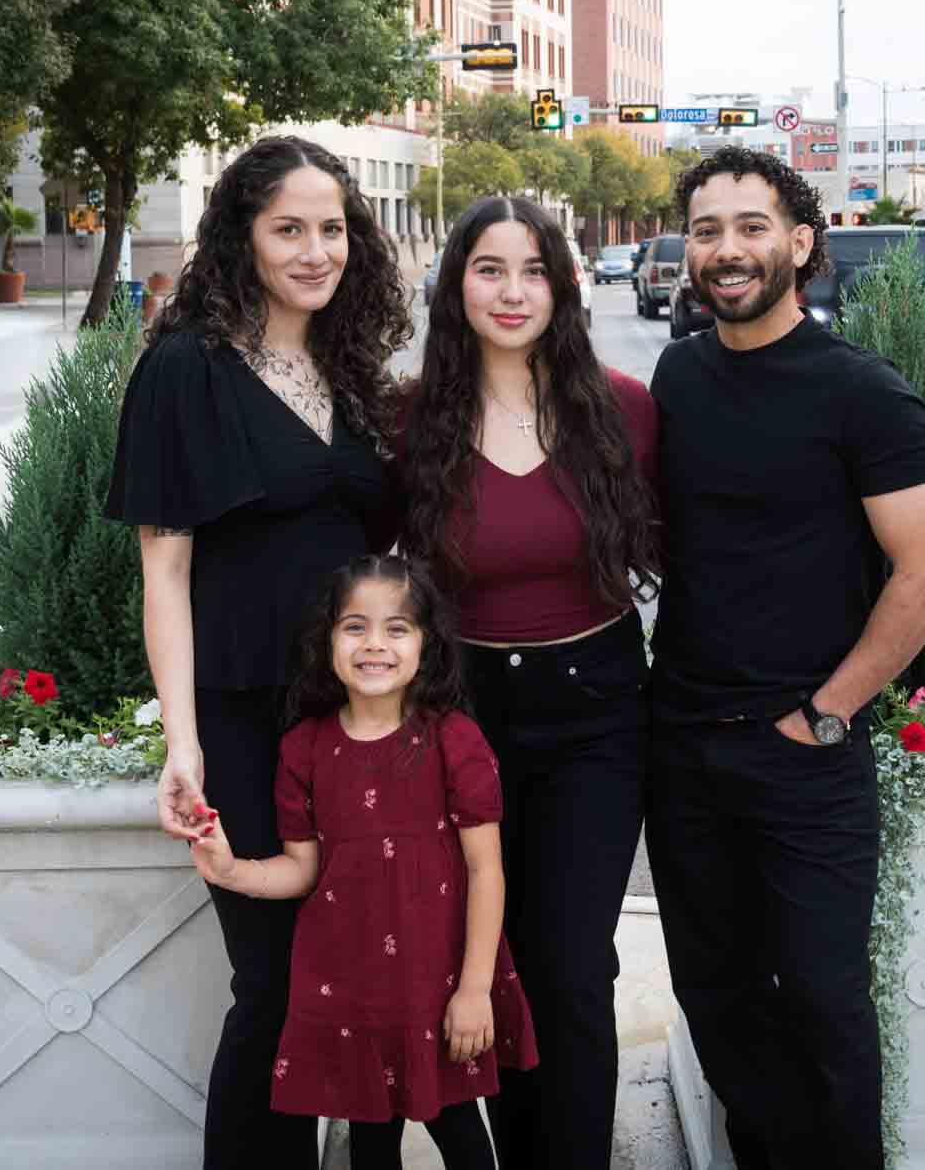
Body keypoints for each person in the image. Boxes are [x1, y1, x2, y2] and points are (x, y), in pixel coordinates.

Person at [645, 146, 925, 1170]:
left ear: (799, 241)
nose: (726, 250)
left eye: (749, 226)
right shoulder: (678, 374)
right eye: (706, 231)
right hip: (684, 745)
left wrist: (825, 712)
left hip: (805, 758)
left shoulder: (860, 393)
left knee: (823, 1005)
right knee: (716, 997)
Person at [103, 136, 412, 1170]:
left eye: (330, 228)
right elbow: (165, 574)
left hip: (357, 724)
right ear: (241, 235)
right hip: (243, 721)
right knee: (274, 983)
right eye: (289, 228)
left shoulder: (348, 366)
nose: (315, 249)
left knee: (356, 971)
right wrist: (179, 742)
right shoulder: (186, 367)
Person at [395, 196, 659, 1169]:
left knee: (573, 967)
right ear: (455, 284)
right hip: (463, 721)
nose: (512, 292)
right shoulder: (411, 421)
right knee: (489, 959)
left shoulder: (623, 410)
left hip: (594, 714)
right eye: (488, 268)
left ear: (564, 282)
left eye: (533, 269)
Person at [187, 555, 539, 1170]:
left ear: (427, 646)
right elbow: (302, 871)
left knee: (460, 1133)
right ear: (327, 641)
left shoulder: (454, 740)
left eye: (397, 628)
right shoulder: (304, 749)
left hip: (442, 987)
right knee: (370, 1145)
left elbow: (487, 871)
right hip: (354, 997)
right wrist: (231, 870)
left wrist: (476, 989)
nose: (374, 644)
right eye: (355, 626)